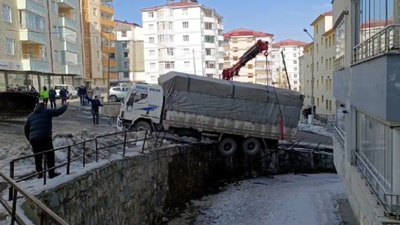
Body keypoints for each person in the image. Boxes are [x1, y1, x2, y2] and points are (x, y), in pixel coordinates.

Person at [24, 102, 68, 179]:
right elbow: (58, 112)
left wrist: (30, 139)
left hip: (34, 140)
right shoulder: (47, 112)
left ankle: (40, 174)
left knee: (38, 156)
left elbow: (26, 129)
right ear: (44, 106)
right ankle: (51, 174)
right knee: (50, 155)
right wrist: (65, 106)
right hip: (45, 137)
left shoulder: (30, 116)